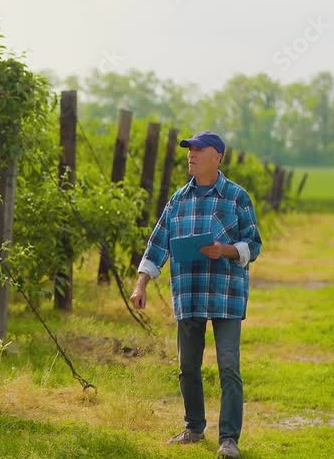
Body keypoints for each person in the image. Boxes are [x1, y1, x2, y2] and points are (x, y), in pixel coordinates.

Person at [130, 131, 262, 459]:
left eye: (198, 150)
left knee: (228, 365)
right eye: (189, 150)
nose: (190, 155)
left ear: (217, 157)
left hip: (225, 295)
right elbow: (158, 242)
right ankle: (193, 428)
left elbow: (254, 244)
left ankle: (229, 440)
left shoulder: (236, 197)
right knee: (187, 365)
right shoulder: (178, 199)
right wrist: (141, 283)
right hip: (188, 294)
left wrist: (227, 250)